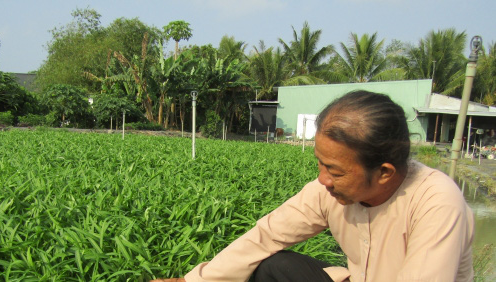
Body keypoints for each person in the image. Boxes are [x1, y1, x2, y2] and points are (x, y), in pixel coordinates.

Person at [181, 90, 474, 282]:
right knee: (273, 267)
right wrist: (192, 280)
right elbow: (268, 234)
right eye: (320, 163)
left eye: (334, 170)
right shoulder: (328, 191)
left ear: (384, 172)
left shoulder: (436, 201)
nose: (322, 179)